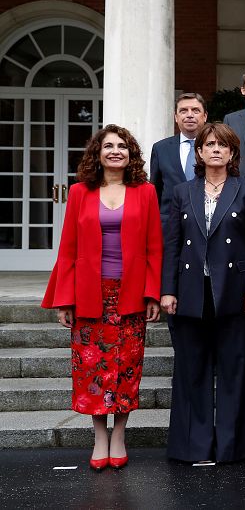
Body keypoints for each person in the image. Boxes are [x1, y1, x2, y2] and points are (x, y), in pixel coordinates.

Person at [42, 124, 162, 471]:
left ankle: (119, 436)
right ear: (98, 153)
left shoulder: (146, 192)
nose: (115, 151)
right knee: (91, 369)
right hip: (89, 294)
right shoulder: (80, 192)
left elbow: (155, 247)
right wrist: (65, 298)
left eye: (122, 146)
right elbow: (68, 248)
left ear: (130, 154)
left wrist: (152, 293)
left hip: (130, 293)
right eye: (108, 146)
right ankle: (99, 438)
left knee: (127, 368)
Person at [161, 122, 245, 464]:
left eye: (223, 145)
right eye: (209, 144)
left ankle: (232, 447)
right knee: (192, 371)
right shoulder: (182, 191)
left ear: (233, 153)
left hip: (234, 292)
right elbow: (173, 244)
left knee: (234, 369)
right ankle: (194, 446)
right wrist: (168, 290)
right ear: (199, 152)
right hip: (190, 291)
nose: (216, 150)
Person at [150, 92, 208, 226]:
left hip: (206, 223)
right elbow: (155, 191)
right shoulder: (160, 148)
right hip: (170, 224)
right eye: (183, 111)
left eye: (195, 110)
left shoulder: (216, 148)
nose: (189, 115)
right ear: (176, 117)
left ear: (205, 116)